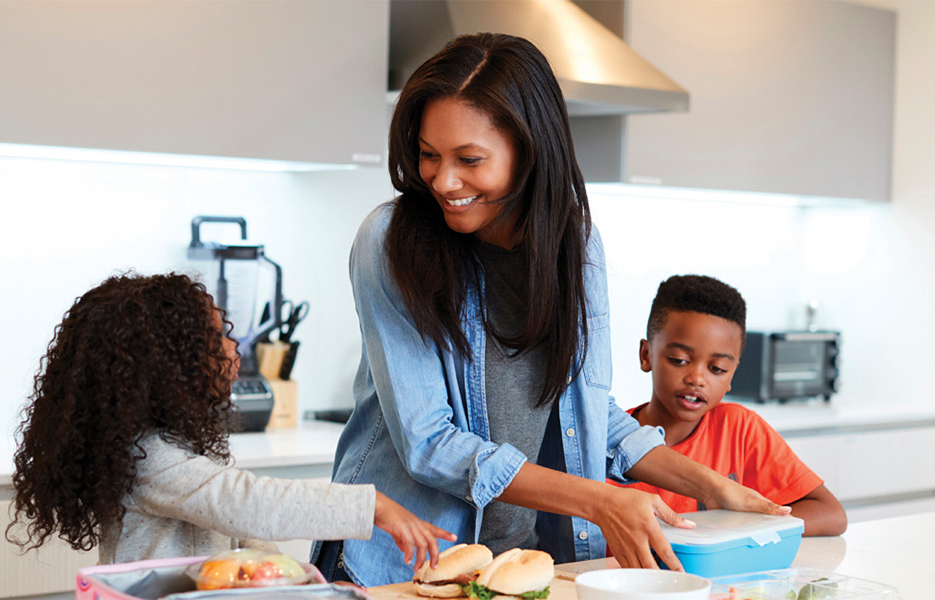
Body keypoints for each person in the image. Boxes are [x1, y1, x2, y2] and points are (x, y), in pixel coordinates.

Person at [312, 32, 790, 587]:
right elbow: (429, 444)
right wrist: (596, 501)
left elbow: (587, 409)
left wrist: (710, 486)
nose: (443, 180)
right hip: (401, 565)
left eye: (469, 159)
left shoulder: (575, 245)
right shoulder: (388, 241)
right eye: (428, 154)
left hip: (519, 566)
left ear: (530, 149)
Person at [7, 272, 455, 570]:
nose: (234, 346)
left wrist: (288, 577)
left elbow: (232, 528)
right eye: (219, 335)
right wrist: (372, 505)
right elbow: (244, 503)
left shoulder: (170, 444)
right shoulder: (146, 458)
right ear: (170, 363)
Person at [614, 274, 847, 536]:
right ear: (647, 356)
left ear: (732, 374)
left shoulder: (740, 429)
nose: (697, 379)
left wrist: (731, 533)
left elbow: (831, 514)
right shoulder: (609, 445)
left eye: (717, 368)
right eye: (679, 360)